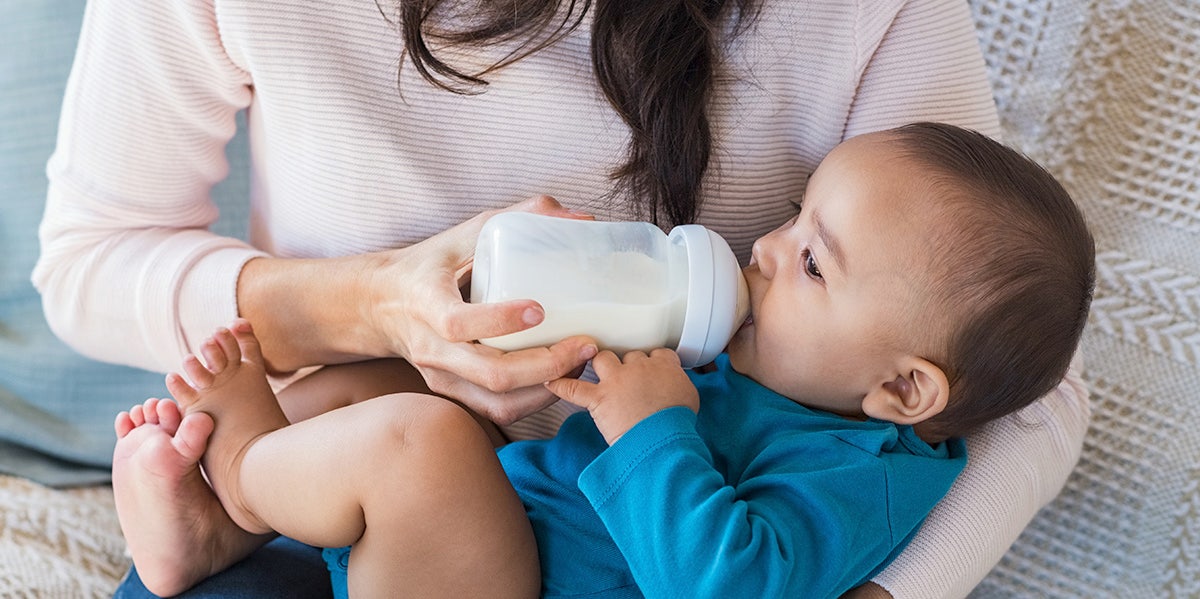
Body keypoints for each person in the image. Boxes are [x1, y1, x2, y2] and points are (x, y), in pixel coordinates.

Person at [32, 0, 1093, 596]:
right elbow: (90, 259)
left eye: (810, 254)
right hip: (416, 504)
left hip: (488, 540)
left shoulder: (838, 427)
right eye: (793, 219)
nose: (762, 249)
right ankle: (228, 519)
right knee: (366, 386)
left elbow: (1015, 379)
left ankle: (243, 489)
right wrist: (370, 300)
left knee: (417, 445)